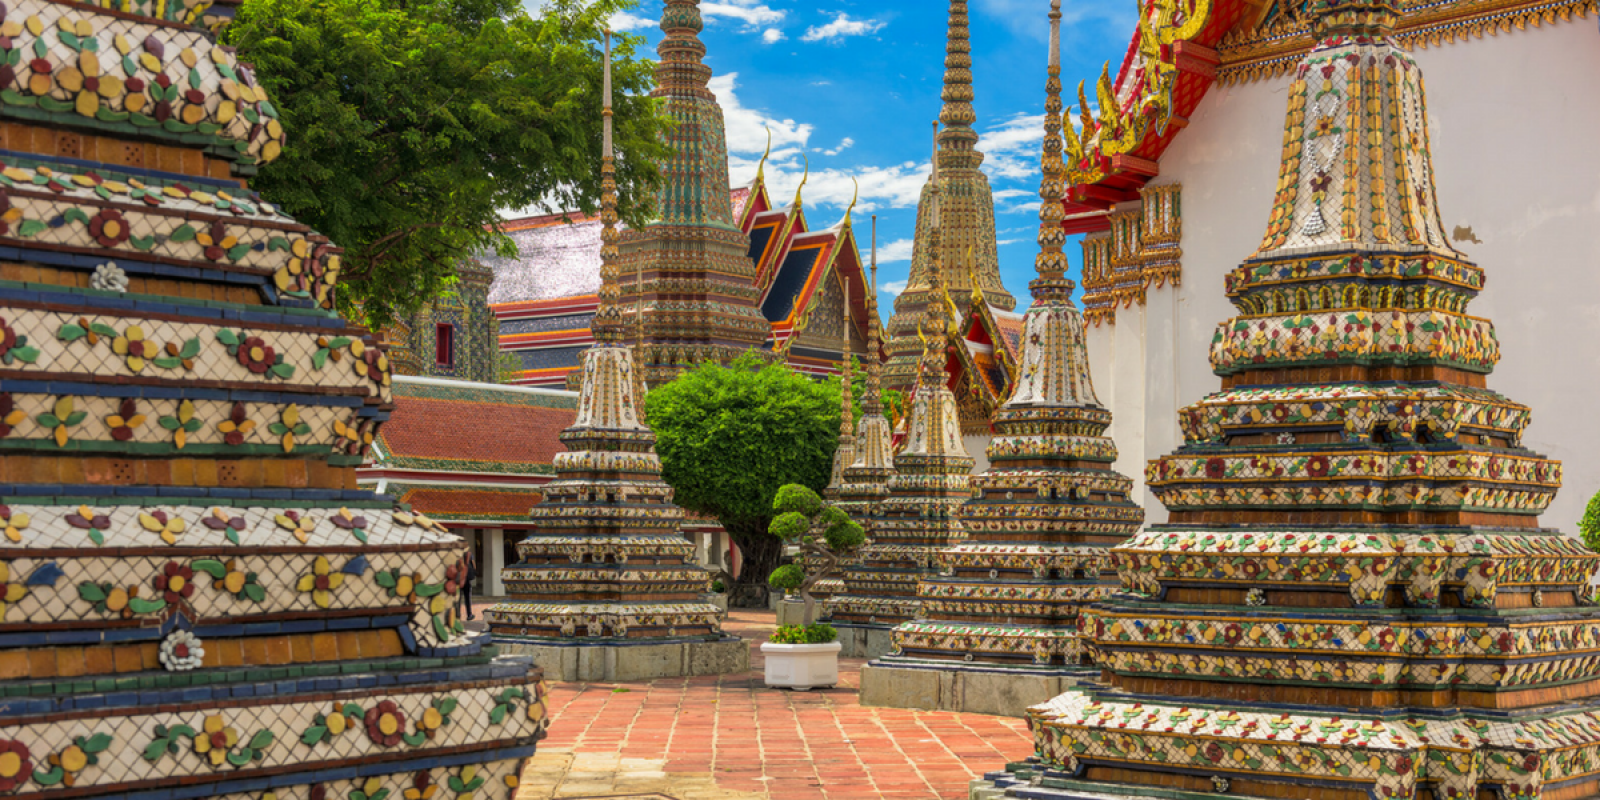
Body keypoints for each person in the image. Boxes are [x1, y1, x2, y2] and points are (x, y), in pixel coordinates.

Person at [459, 550, 477, 620]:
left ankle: (457, 615)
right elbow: (473, 564)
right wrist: (473, 572)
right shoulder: (469, 554)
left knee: (458, 598)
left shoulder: (456, 553)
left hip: (459, 579)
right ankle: (469, 614)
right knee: (467, 598)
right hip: (466, 579)